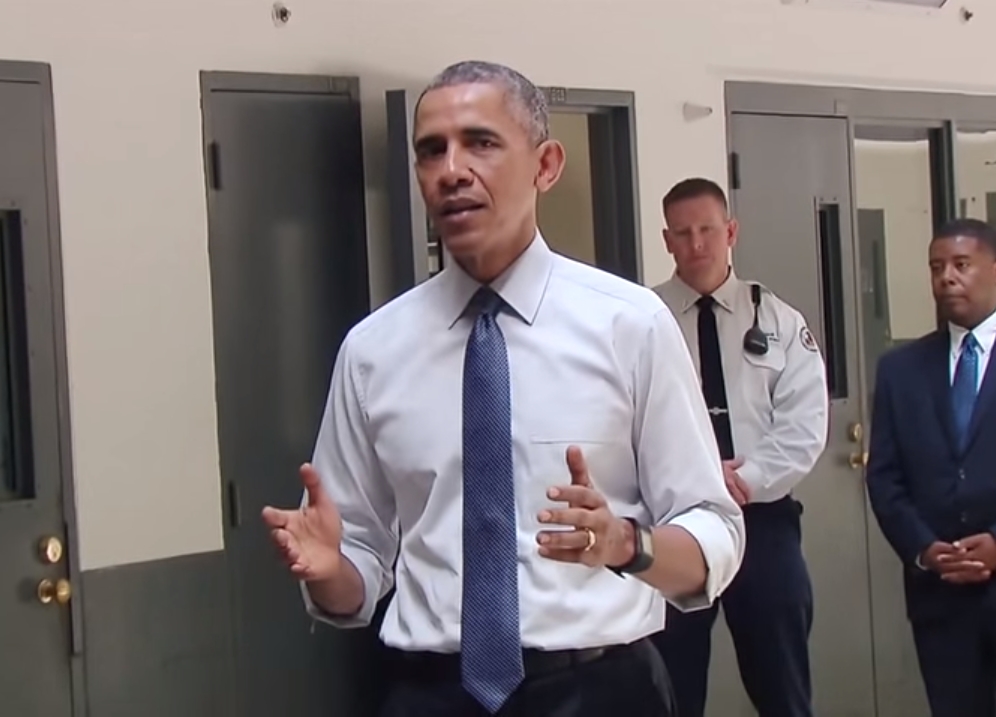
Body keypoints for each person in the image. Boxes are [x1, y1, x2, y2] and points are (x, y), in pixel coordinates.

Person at [260, 62, 744, 717]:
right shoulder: (373, 351)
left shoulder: (630, 325)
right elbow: (359, 564)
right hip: (430, 693)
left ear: (546, 165)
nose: (451, 169)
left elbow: (714, 526)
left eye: (480, 142)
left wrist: (629, 544)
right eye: (431, 150)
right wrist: (332, 574)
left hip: (599, 688)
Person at [649, 178, 829, 717]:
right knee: (671, 684)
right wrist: (692, 479)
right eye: (683, 233)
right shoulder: (642, 319)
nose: (697, 243)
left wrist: (741, 478)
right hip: (674, 522)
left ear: (730, 232)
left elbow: (804, 427)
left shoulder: (778, 321)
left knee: (782, 684)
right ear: (667, 240)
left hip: (762, 521)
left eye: (707, 229)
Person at [865, 218, 996, 717]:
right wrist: (922, 548)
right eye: (937, 267)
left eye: (961, 265)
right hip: (939, 598)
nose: (947, 278)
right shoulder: (901, 370)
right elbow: (885, 477)